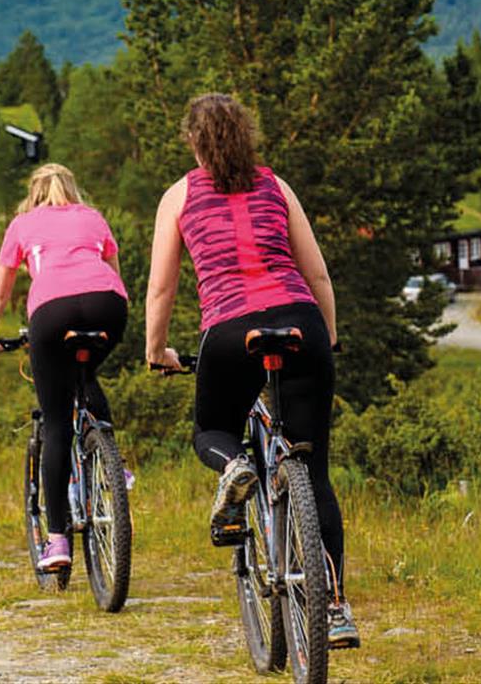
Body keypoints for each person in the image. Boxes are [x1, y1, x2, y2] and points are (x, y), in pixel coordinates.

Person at [144, 93, 359, 650]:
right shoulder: (275, 185)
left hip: (229, 331)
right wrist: (328, 339)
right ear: (247, 135)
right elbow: (318, 274)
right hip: (300, 324)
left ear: (194, 141)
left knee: (210, 431)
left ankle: (235, 465)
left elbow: (163, 286)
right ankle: (335, 608)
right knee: (313, 471)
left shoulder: (179, 195)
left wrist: (156, 349)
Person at [0, 163, 128, 573]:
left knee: (57, 421)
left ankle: (57, 540)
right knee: (86, 373)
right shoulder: (93, 218)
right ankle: (114, 465)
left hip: (52, 312)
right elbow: (115, 274)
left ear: (34, 193)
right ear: (72, 189)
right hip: (108, 306)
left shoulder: (22, 224)